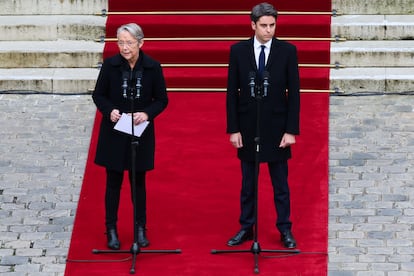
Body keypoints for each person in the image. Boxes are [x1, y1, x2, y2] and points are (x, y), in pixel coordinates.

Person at [226, 2, 300, 249]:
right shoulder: (238, 51)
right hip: (248, 127)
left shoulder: (288, 51)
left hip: (278, 127)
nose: (269, 30)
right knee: (248, 184)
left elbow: (295, 94)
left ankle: (285, 229)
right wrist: (234, 129)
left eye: (272, 25)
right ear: (253, 25)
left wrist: (291, 130)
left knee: (280, 184)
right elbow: (231, 93)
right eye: (264, 26)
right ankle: (246, 227)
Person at [92, 23, 168, 250]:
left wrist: (146, 113)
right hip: (114, 131)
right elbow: (99, 95)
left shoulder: (153, 67)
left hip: (139, 132)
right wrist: (109, 111)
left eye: (129, 43)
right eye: (121, 43)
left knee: (138, 182)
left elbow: (162, 100)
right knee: (113, 181)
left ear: (140, 43)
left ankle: (140, 228)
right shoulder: (110, 66)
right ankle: (111, 229)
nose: (124, 48)